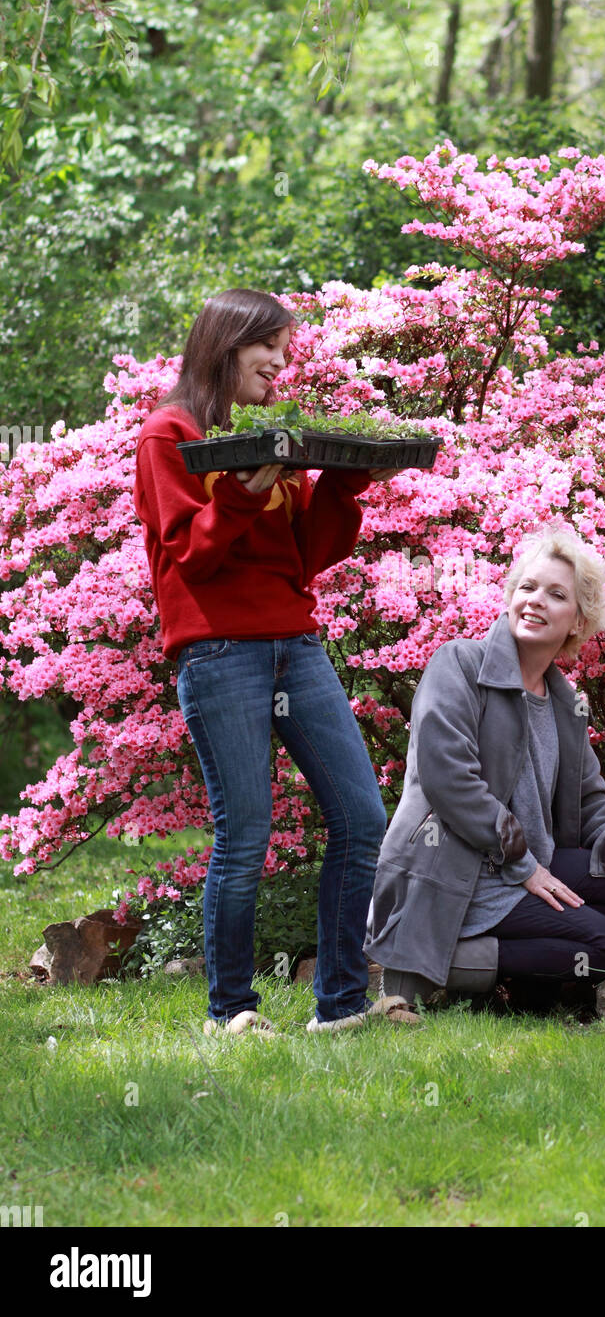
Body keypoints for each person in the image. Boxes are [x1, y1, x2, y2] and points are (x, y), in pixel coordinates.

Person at [133, 288, 415, 1035]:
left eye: (287, 356)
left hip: (297, 643)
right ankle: (232, 1010)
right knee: (246, 835)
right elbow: (189, 559)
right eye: (271, 352)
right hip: (219, 649)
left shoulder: (272, 439)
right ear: (230, 345)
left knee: (361, 818)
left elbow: (306, 558)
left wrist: (345, 482)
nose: (281, 367)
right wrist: (238, 497)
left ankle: (341, 1006)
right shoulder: (169, 436)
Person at [365, 526, 605, 1004]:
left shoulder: (566, 705)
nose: (535, 601)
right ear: (510, 597)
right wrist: (525, 868)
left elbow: (593, 803)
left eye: (555, 594)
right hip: (462, 866)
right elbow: (449, 778)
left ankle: (526, 985)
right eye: (526, 588)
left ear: (577, 621)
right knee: (604, 944)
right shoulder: (460, 664)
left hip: (524, 862)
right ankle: (432, 965)